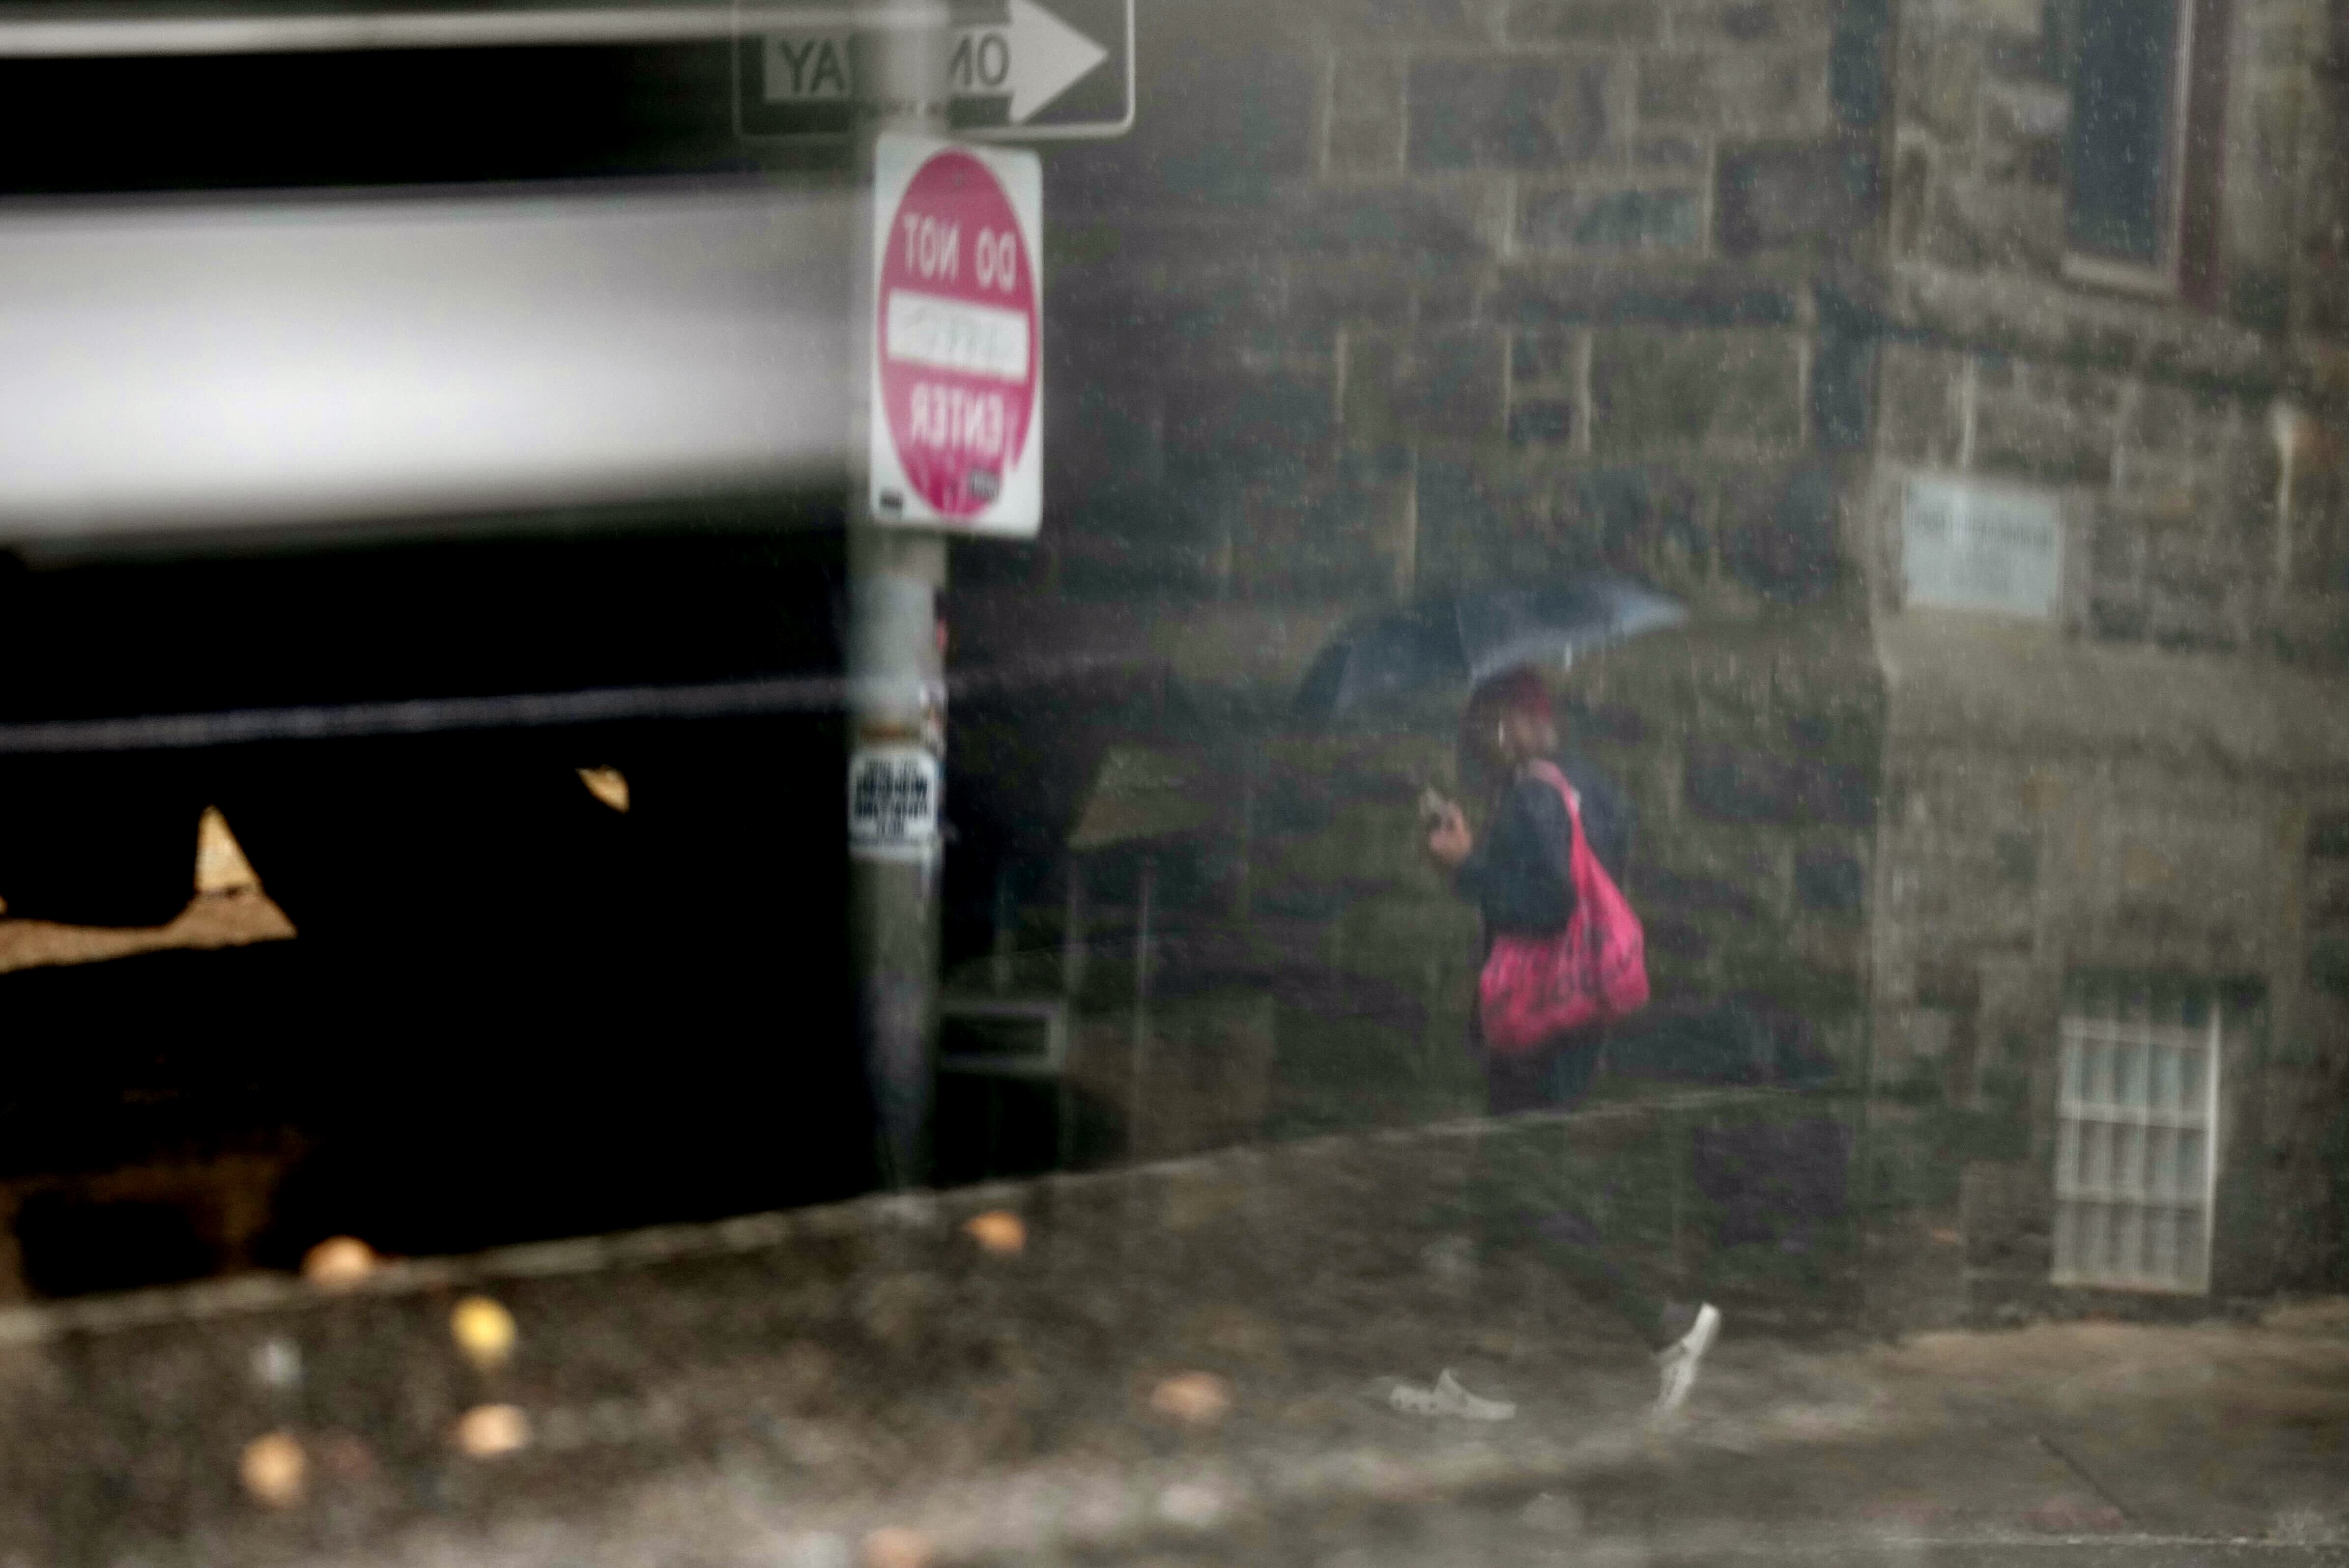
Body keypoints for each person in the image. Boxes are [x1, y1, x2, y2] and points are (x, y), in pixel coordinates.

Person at [1421, 665, 1721, 1415]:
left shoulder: (1532, 793)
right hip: (1574, 1022)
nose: (1484, 742)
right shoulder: (1591, 786)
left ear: (1515, 724)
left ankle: (1666, 1327)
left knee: (1525, 1192)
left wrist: (1464, 868)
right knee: (1502, 1191)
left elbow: (1549, 901)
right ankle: (1477, 1380)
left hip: (1537, 1025)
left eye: (1488, 726)